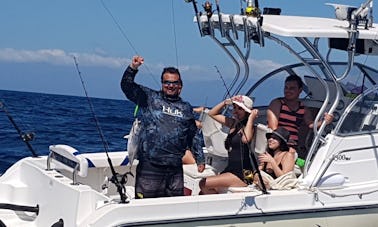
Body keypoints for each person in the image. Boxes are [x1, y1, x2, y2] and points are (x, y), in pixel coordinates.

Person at [121, 55, 205, 199]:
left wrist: (200, 158)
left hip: (175, 170)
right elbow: (127, 87)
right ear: (162, 83)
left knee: (172, 209)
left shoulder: (186, 108)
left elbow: (193, 134)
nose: (170, 85)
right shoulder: (149, 98)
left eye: (174, 83)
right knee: (145, 208)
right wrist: (133, 68)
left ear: (180, 85)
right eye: (167, 82)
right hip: (150, 167)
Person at [199, 95, 258, 194]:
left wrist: (251, 118)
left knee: (203, 183)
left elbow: (245, 139)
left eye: (240, 109)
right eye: (234, 107)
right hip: (231, 169)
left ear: (246, 111)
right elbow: (212, 114)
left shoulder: (249, 126)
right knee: (202, 192)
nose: (235, 111)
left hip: (245, 174)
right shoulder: (233, 123)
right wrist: (225, 103)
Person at [266, 74, 333, 160]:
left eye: (292, 88)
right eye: (286, 88)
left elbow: (311, 125)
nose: (287, 91)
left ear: (300, 90)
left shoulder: (303, 109)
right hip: (277, 144)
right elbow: (273, 127)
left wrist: (325, 121)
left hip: (293, 146)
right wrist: (285, 142)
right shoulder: (277, 103)